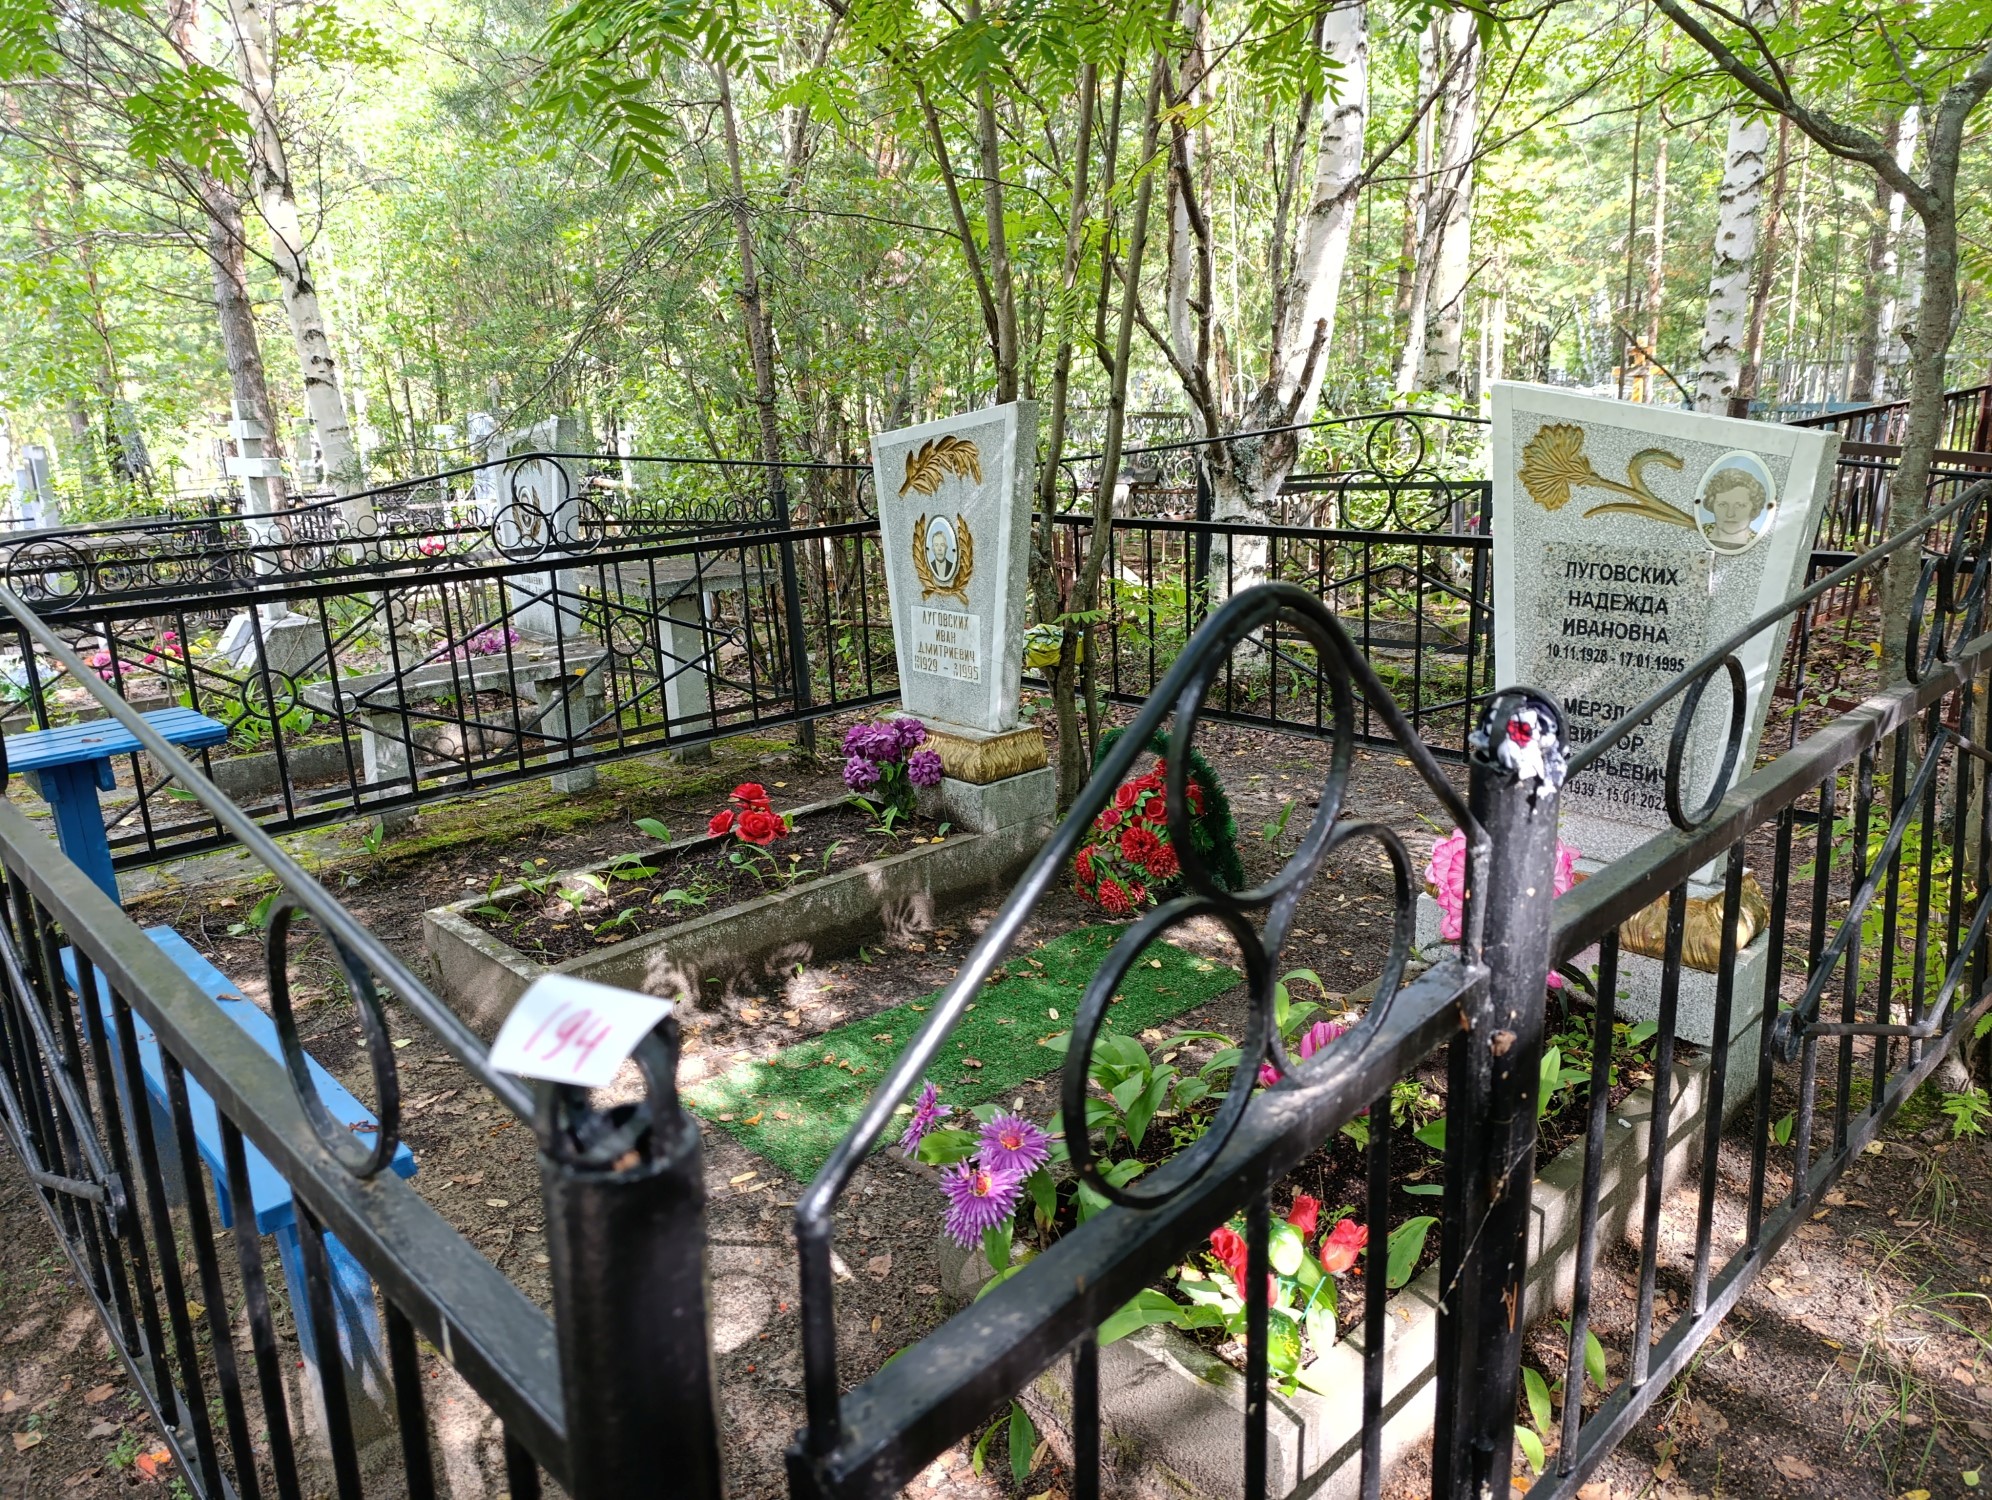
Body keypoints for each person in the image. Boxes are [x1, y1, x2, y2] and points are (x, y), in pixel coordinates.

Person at [1700, 466, 1770, 553]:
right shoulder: (1698, 532)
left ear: (1754, 507)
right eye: (1723, 505)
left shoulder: (1761, 545)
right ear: (1711, 504)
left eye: (1740, 505)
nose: (1730, 514)